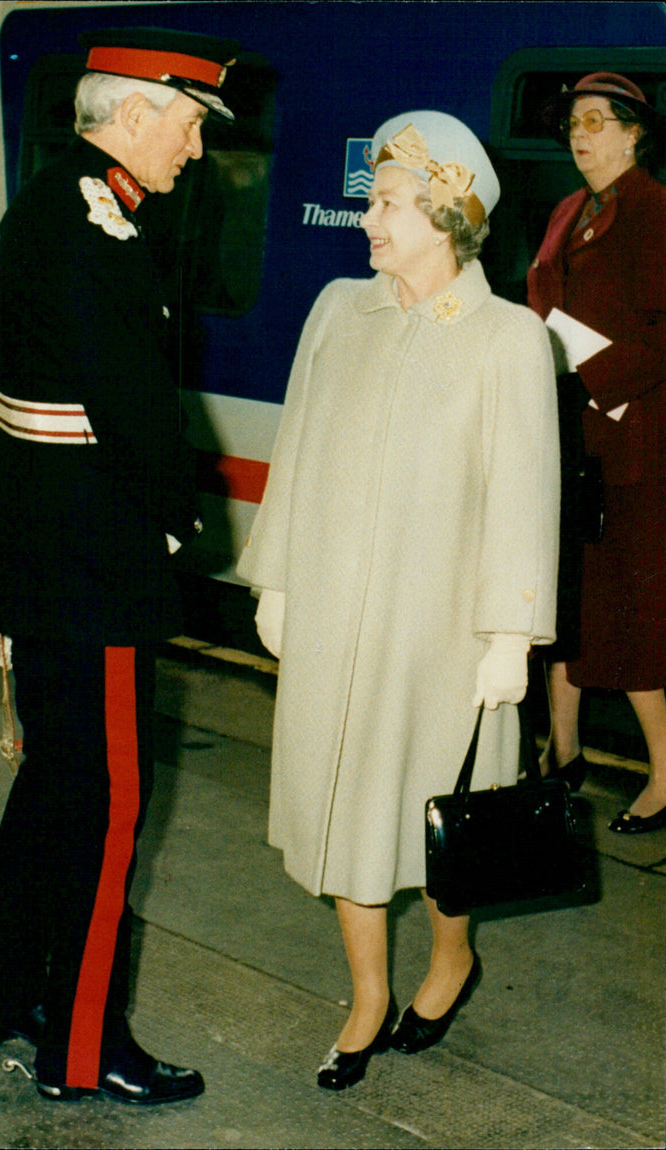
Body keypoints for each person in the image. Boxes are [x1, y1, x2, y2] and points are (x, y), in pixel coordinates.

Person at [237, 110, 559, 1090]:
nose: (365, 219)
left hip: (438, 633)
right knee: (342, 810)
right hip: (335, 616)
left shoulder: (506, 339)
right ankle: (367, 994)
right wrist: (278, 577)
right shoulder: (340, 309)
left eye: (384, 203)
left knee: (431, 811)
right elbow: (293, 450)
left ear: (448, 214)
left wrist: (508, 631)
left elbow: (522, 489)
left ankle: (450, 953)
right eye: (370, 200)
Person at [0, 28, 239, 1103]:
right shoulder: (100, 229)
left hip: (39, 545)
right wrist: (175, 523)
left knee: (50, 790)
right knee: (109, 803)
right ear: (134, 113)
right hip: (91, 559)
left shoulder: (57, 203)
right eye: (191, 124)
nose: (197, 150)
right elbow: (128, 410)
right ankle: (80, 1050)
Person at [527, 73, 666, 834]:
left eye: (594, 122)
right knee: (565, 599)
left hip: (633, 439)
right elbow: (539, 299)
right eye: (572, 123)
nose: (579, 135)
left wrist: (589, 376)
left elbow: (662, 333)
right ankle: (565, 750)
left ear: (632, 133)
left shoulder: (655, 212)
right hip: (566, 434)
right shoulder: (568, 210)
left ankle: (665, 774)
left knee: (635, 613)